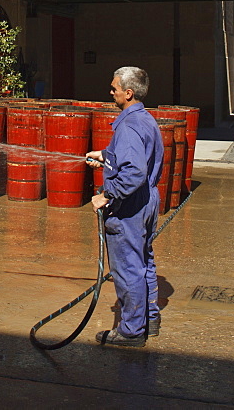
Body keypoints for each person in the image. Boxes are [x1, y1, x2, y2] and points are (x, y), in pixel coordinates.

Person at [85, 66, 163, 347]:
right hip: (148, 200)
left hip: (131, 205)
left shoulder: (128, 126)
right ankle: (149, 320)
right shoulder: (145, 119)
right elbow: (135, 159)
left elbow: (133, 173)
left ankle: (130, 332)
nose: (111, 91)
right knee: (144, 262)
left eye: (115, 88)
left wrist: (107, 195)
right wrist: (106, 156)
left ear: (128, 93)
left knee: (128, 268)